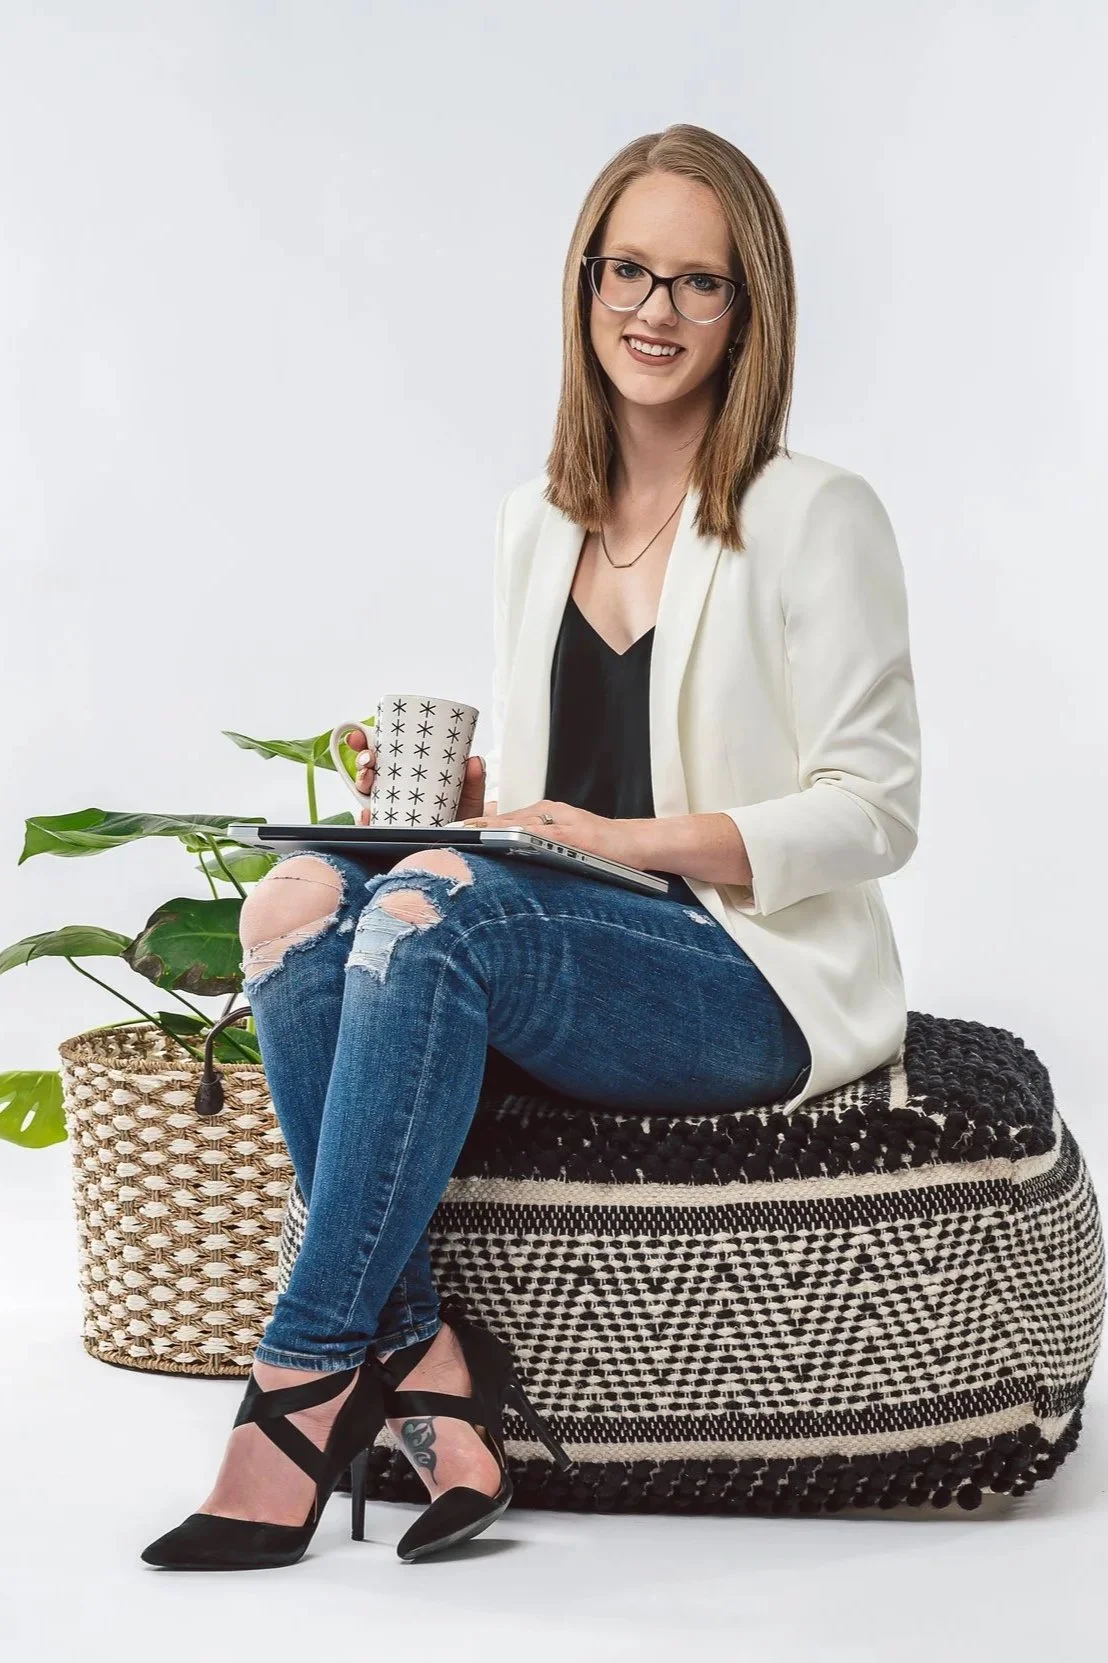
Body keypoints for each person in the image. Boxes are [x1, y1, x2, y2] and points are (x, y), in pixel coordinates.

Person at [141, 121, 921, 1571]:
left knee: (440, 910)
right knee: (297, 903)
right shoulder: (534, 521)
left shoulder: (817, 516)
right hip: (575, 917)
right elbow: (544, 801)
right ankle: (430, 1365)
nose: (657, 310)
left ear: (751, 311)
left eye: (700, 282)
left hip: (746, 967)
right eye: (629, 270)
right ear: (583, 285)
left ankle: (300, 1381)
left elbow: (876, 806)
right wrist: (475, 794)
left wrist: (617, 832)